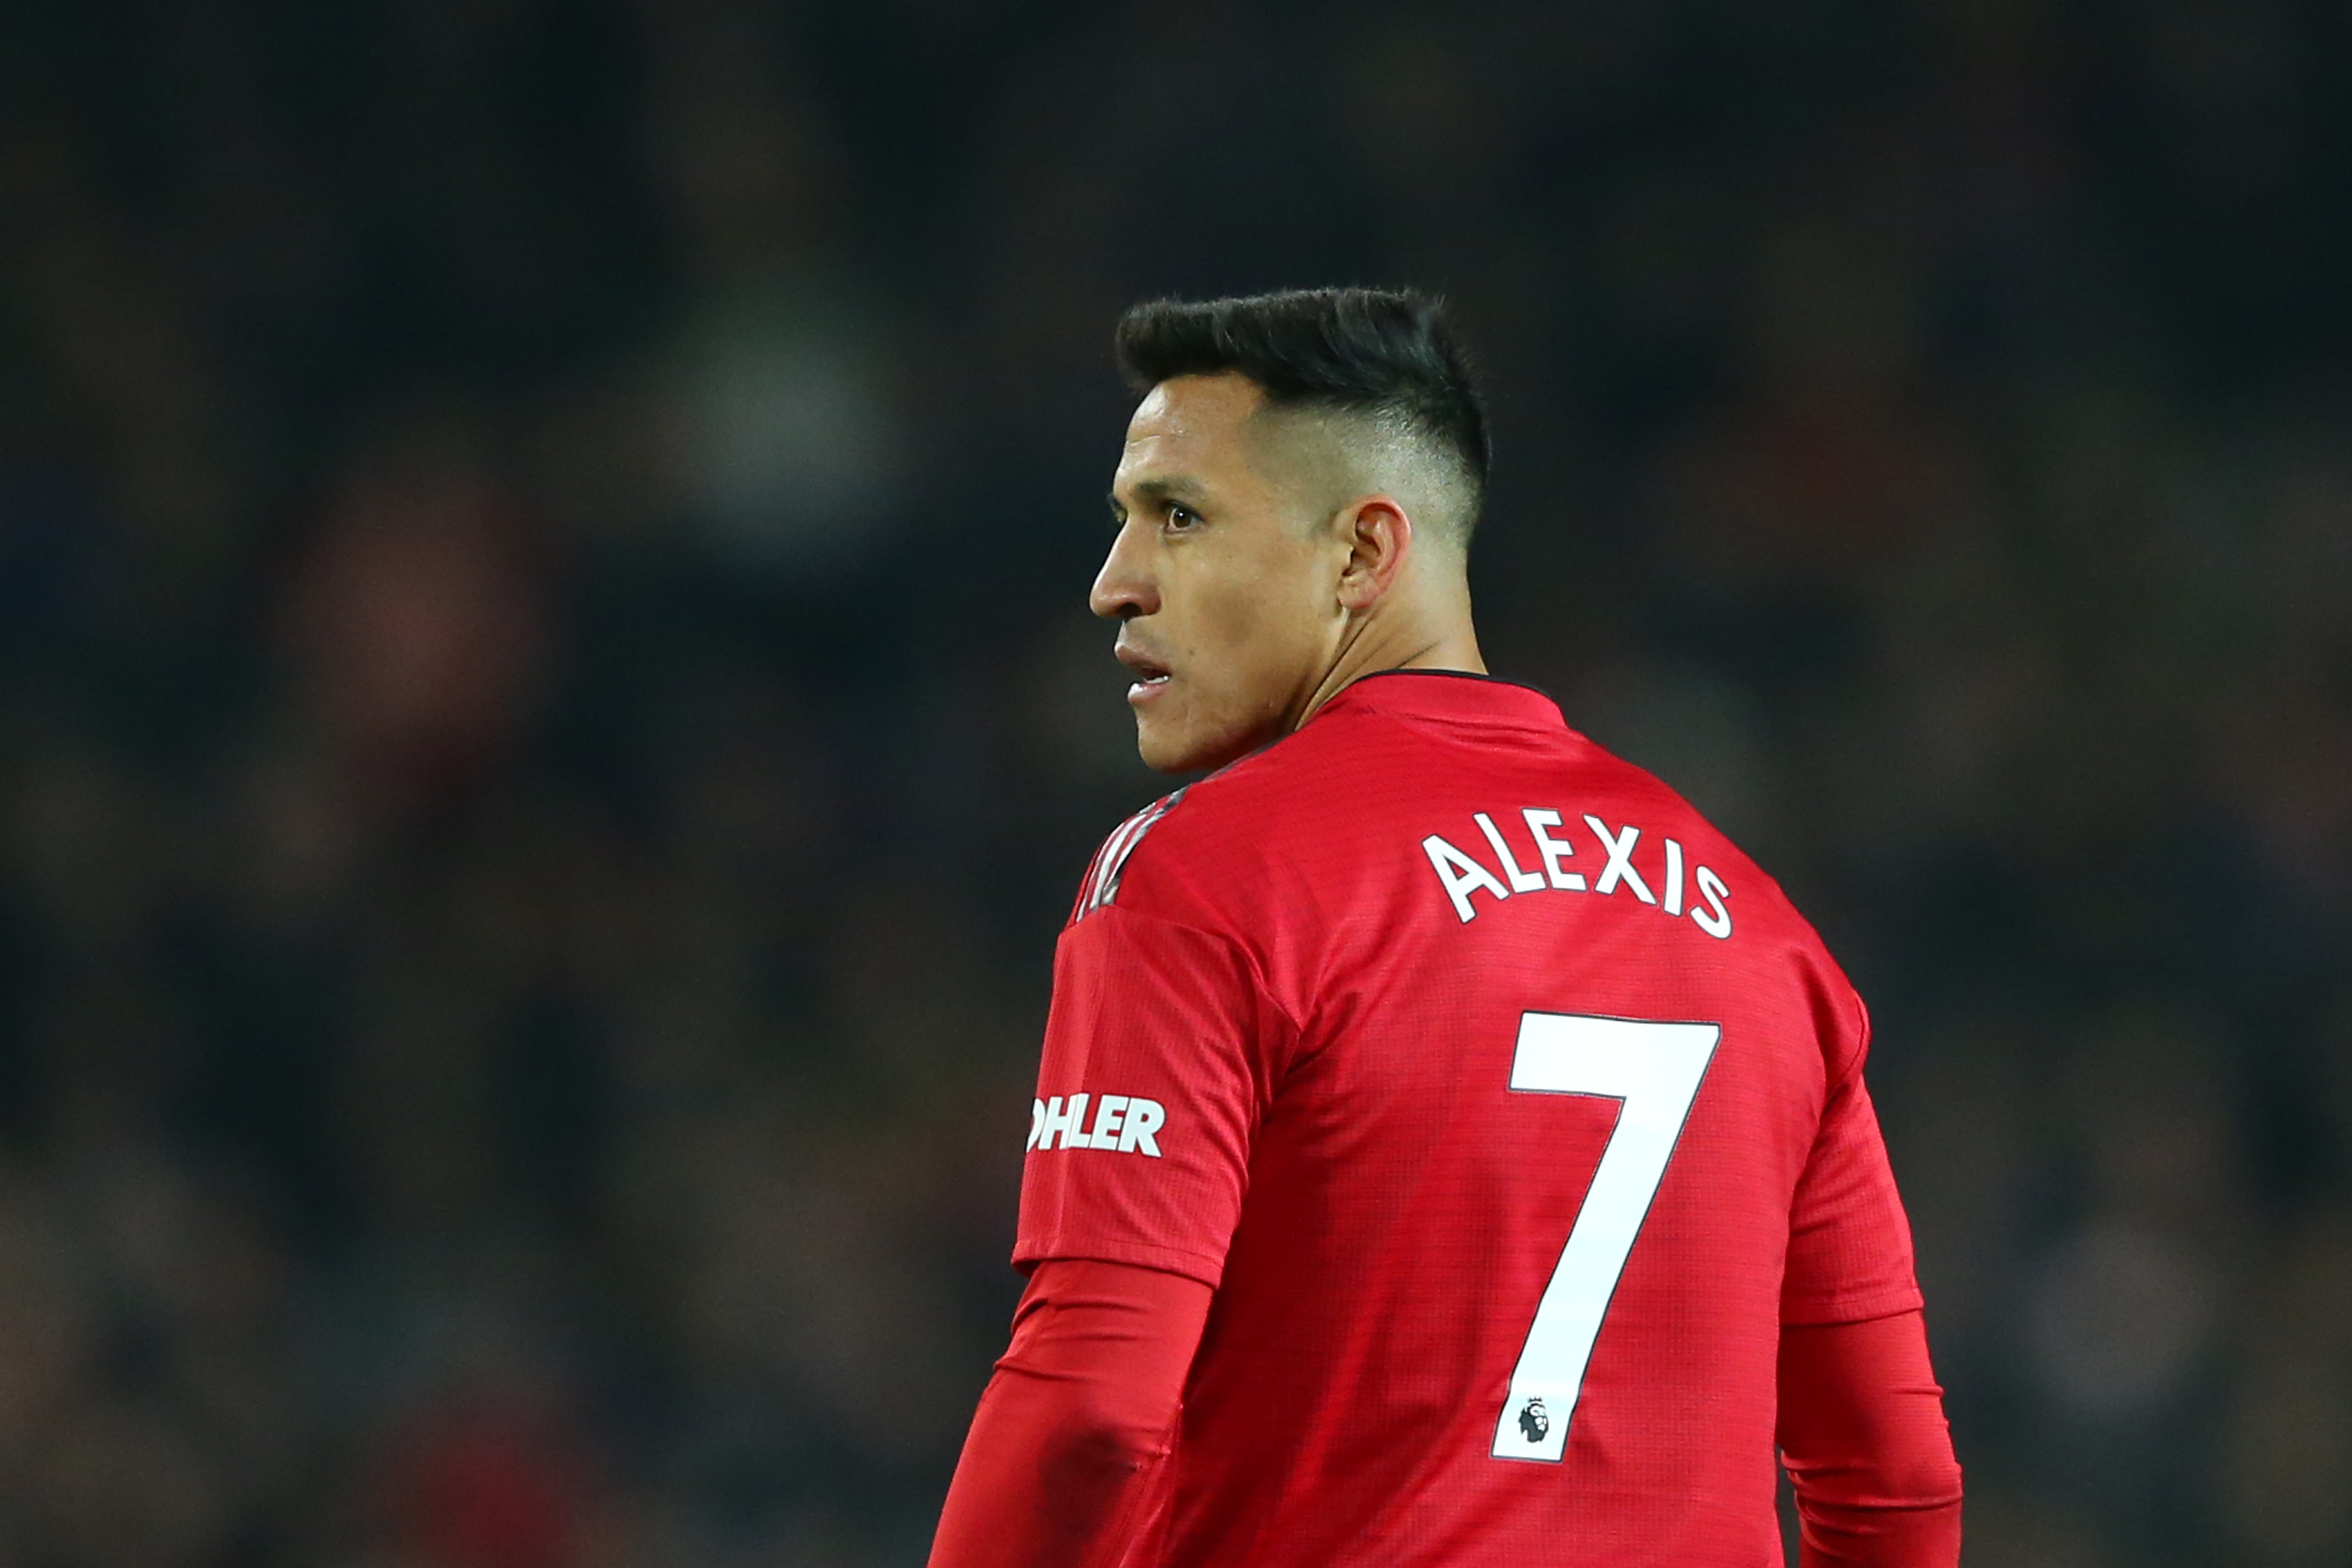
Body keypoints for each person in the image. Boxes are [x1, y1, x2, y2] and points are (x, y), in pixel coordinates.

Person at [927, 288, 1962, 1567]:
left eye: (1179, 518)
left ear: (1364, 553)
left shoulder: (1208, 876)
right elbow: (1897, 1480)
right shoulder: (1761, 929)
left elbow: (1089, 1410)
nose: (1113, 586)